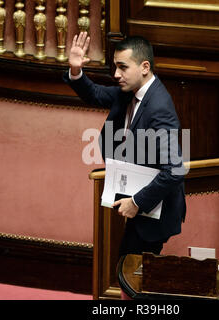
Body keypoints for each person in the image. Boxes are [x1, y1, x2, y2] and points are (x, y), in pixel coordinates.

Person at [63, 32, 186, 256]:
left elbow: (175, 171)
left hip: (154, 212)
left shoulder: (159, 108)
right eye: (115, 67)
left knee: (131, 276)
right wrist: (75, 70)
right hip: (132, 196)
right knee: (128, 271)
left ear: (145, 67)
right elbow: (95, 95)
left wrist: (137, 202)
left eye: (123, 67)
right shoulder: (128, 91)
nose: (116, 74)